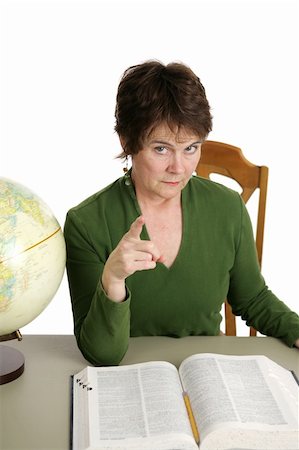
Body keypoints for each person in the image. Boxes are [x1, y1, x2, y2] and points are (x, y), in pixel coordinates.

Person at [64, 60, 299, 366]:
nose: (179, 168)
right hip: (130, 378)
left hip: (208, 374)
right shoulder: (86, 223)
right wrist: (113, 280)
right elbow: (102, 354)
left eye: (191, 148)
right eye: (161, 149)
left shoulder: (227, 207)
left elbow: (252, 298)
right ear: (128, 142)